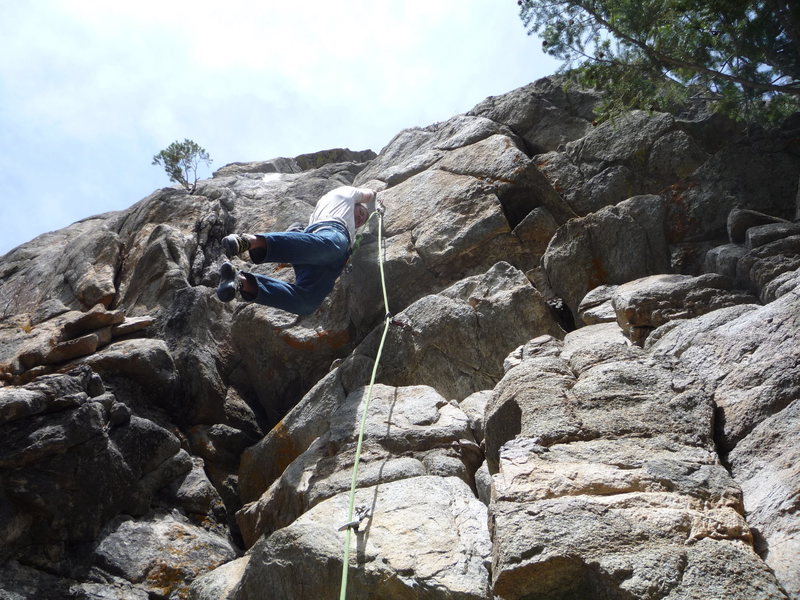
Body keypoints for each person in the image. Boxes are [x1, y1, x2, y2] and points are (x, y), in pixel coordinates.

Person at [216, 185, 381, 315]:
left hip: (323, 256)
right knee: (332, 245)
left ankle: (241, 282)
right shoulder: (346, 194)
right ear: (354, 203)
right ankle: (249, 241)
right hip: (330, 234)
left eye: (362, 220)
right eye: (360, 212)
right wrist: (375, 195)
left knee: (306, 303)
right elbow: (368, 195)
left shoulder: (324, 210)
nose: (360, 219)